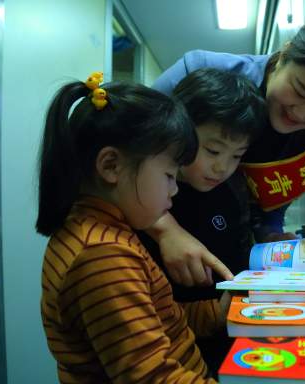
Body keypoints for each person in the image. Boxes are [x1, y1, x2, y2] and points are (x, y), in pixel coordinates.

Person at [145, 10, 305, 288]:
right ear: (285, 53)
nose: (303, 114)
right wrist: (167, 231)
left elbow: (269, 204)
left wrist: (270, 237)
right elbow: (130, 158)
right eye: (300, 91)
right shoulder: (197, 74)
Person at [36, 73, 232, 383]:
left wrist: (218, 314)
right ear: (111, 166)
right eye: (169, 174)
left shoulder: (108, 230)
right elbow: (152, 377)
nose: (174, 190)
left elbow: (163, 319)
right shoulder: (102, 255)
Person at [138, 68, 266, 377]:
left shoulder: (234, 188)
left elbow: (240, 247)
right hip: (172, 337)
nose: (223, 167)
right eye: (212, 150)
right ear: (178, 131)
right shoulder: (145, 193)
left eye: (237, 155)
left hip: (230, 324)